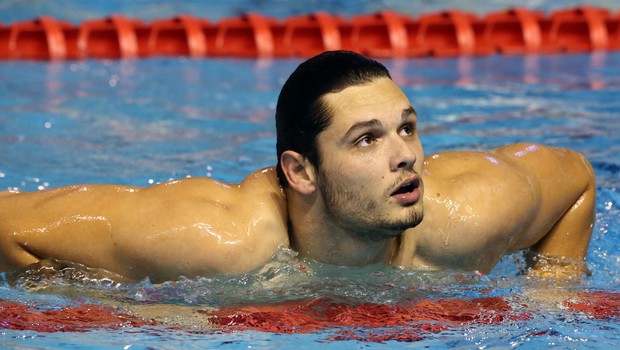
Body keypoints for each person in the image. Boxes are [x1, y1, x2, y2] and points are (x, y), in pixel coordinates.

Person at [0, 51, 595, 283]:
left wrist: (554, 287)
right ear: (301, 171)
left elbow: (574, 180)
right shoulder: (223, 240)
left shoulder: (466, 215)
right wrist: (79, 297)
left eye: (406, 128)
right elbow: (10, 225)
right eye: (366, 140)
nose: (405, 156)